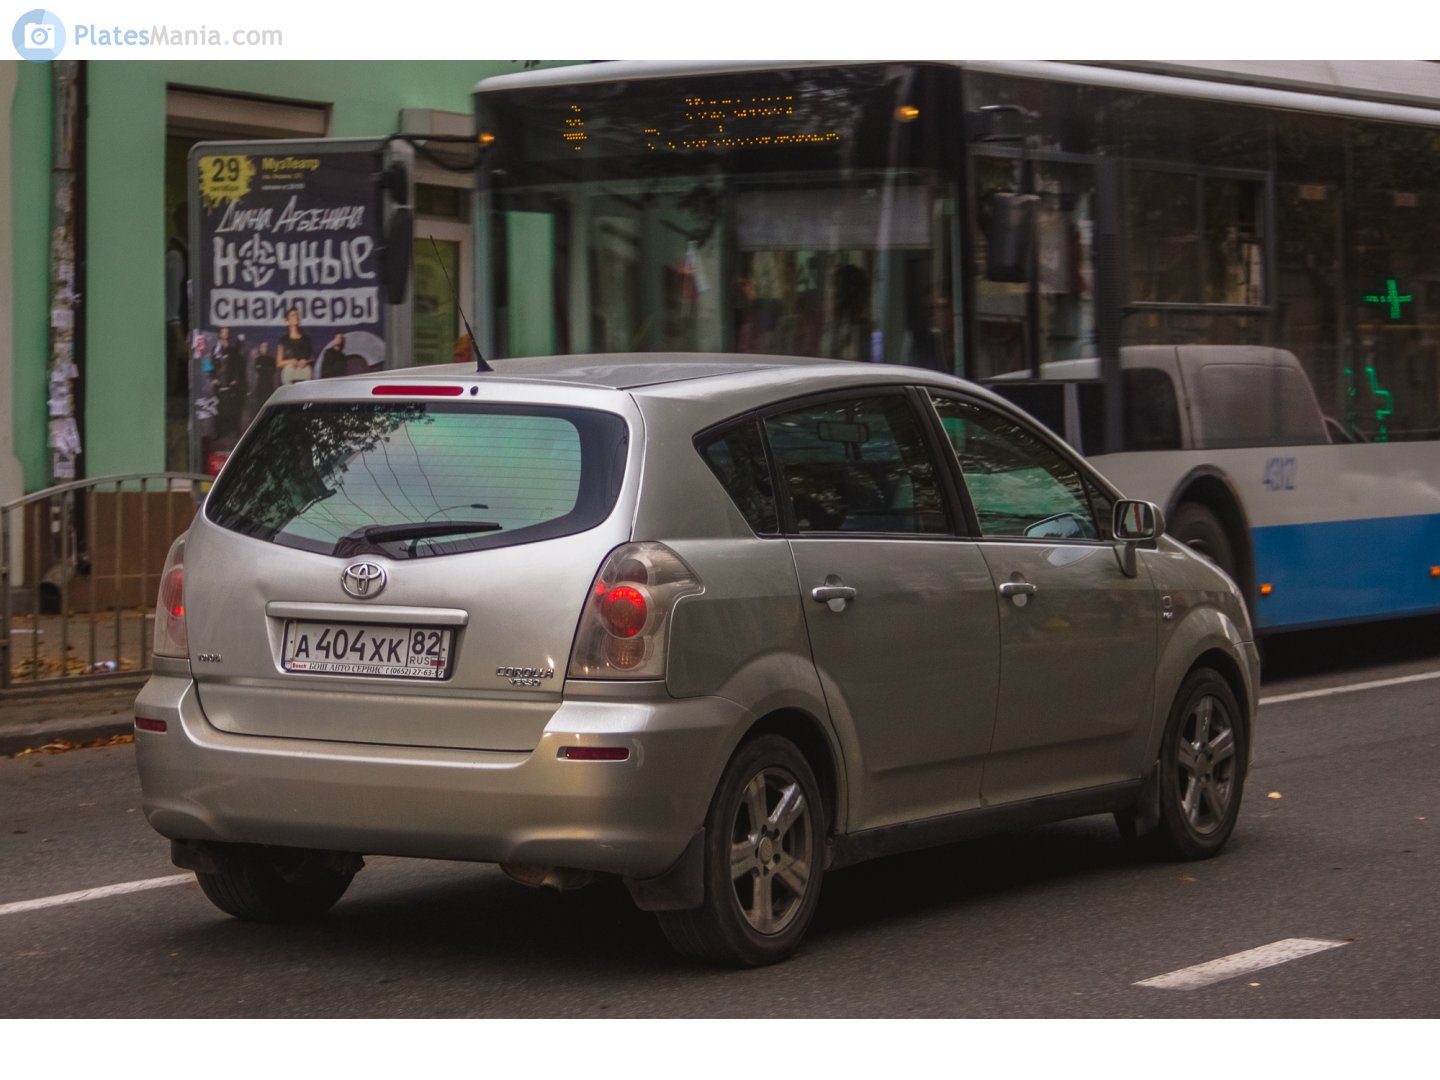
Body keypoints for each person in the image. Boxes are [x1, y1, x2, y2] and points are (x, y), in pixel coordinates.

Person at [276, 307, 314, 383]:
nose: (296, 317)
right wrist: (289, 361)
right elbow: (278, 363)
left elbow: (312, 358)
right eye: (293, 315)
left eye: (297, 315)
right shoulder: (283, 340)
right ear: (287, 321)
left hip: (304, 375)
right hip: (289, 377)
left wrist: (306, 361)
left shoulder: (307, 339)